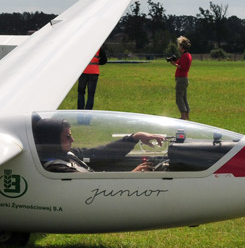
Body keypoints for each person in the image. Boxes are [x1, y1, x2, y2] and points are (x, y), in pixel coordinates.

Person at [32, 116, 164, 173]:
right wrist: (131, 176)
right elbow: (91, 186)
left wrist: (135, 137)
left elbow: (102, 152)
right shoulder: (56, 168)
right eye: (67, 137)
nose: (72, 140)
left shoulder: (69, 154)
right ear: (52, 140)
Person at [168, 36, 191, 120]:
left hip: (181, 79)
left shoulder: (185, 56)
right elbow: (179, 63)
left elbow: (182, 67)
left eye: (179, 45)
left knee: (179, 98)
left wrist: (173, 64)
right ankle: (187, 116)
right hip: (183, 78)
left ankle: (183, 116)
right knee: (184, 97)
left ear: (182, 46)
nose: (179, 47)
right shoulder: (186, 55)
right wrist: (174, 60)